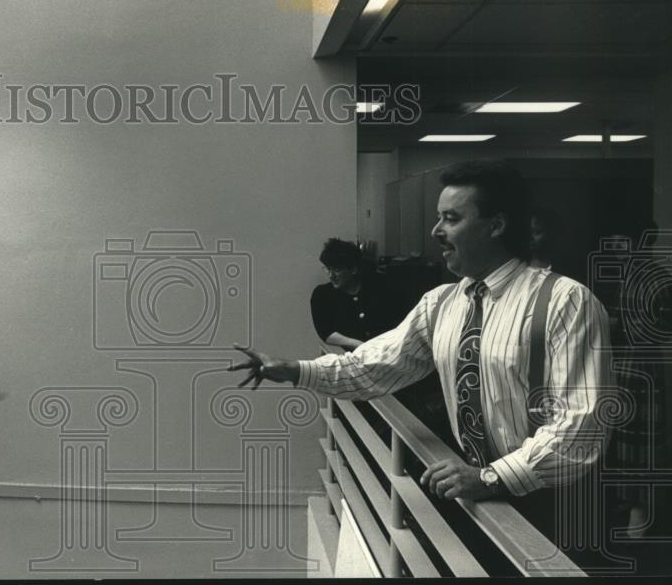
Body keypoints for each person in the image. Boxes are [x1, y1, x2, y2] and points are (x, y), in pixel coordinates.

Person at [230, 160, 616, 565]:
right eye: (438, 218)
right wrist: (295, 370)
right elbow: (374, 366)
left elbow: (581, 425)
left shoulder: (565, 301)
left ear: (496, 225)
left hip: (555, 503)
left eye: (451, 218)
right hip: (478, 495)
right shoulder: (442, 303)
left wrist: (492, 476)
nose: (436, 231)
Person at [310, 238, 386, 350]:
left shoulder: (377, 286)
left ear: (353, 269)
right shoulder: (322, 295)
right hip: (354, 354)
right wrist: (360, 345)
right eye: (328, 269)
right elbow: (326, 333)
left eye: (336, 269)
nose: (331, 275)